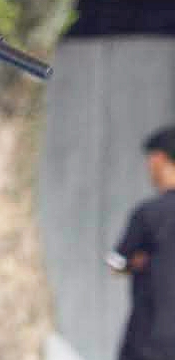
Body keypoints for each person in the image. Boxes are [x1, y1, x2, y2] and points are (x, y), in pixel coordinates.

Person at [108, 124, 175, 360]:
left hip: (148, 343)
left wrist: (134, 264)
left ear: (158, 159)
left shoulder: (149, 214)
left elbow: (115, 263)